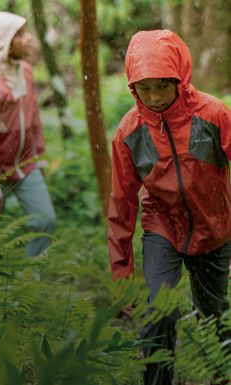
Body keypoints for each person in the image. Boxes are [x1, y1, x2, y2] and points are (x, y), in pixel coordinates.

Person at [108, 29, 231, 385]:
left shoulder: (214, 114)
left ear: (179, 78)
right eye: (144, 89)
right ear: (133, 88)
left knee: (215, 316)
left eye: (162, 85)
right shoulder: (129, 133)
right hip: (163, 227)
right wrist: (121, 275)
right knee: (158, 310)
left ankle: (220, 376)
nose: (155, 97)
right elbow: (122, 205)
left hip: (215, 228)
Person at [0, 11, 56, 257]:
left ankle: (29, 284)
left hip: (24, 164)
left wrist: (39, 157)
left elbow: (33, 119)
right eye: (19, 35)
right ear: (1, 42)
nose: (27, 40)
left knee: (45, 221)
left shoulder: (24, 71)